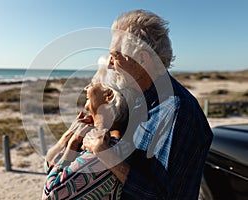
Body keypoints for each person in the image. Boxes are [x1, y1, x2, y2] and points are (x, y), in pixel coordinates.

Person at [82, 10, 214, 199]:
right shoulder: (137, 97)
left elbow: (161, 195)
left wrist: (104, 153)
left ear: (143, 59)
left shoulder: (178, 112)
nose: (110, 65)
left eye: (115, 55)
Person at [42, 57, 138, 200]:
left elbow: (51, 194)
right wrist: (68, 137)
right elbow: (49, 166)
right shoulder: (104, 140)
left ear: (108, 95)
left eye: (93, 83)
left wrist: (72, 147)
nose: (86, 87)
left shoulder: (103, 152)